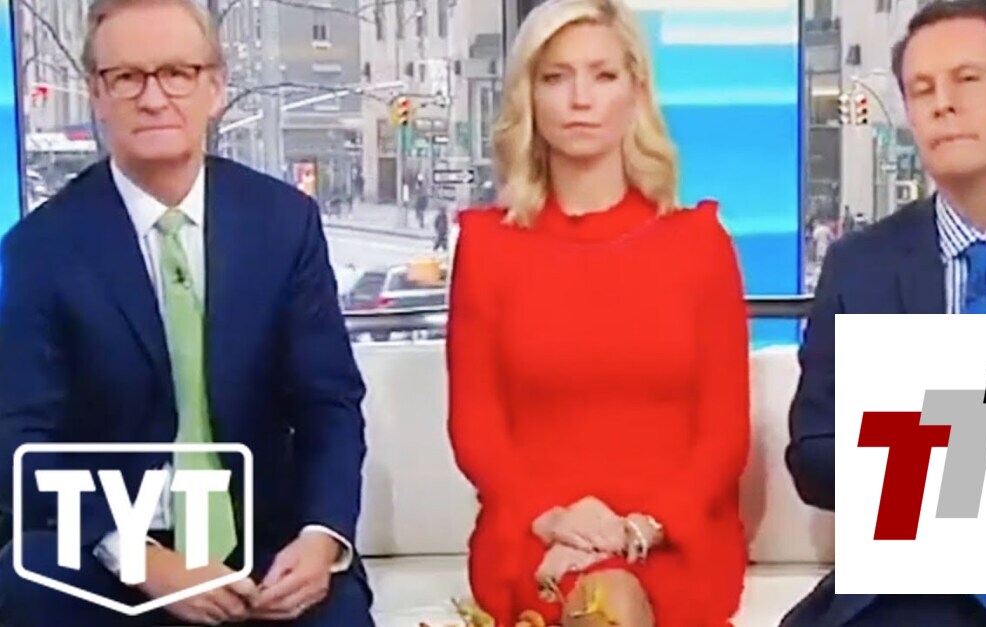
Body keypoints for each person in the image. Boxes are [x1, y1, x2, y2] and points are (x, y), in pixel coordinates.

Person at [0, 1, 374, 626]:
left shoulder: (283, 224)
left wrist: (320, 536)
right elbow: (21, 441)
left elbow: (328, 403)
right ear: (97, 94)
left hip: (265, 547)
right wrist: (140, 556)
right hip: (115, 547)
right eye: (127, 77)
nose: (153, 98)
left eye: (176, 72)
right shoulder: (40, 250)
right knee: (28, 579)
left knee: (339, 610)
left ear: (215, 87)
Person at [783, 2, 986, 626]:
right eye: (922, 90)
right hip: (911, 578)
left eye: (967, 80)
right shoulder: (861, 264)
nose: (943, 104)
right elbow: (813, 454)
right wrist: (944, 465)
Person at [445, 0, 751, 625]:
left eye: (603, 75)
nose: (580, 98)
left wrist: (639, 529)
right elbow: (476, 428)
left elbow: (723, 437)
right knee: (599, 599)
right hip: (534, 527)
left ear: (636, 92)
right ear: (530, 96)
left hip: (672, 534)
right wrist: (553, 518)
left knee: (608, 600)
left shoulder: (698, 244)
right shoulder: (488, 247)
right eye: (556, 77)